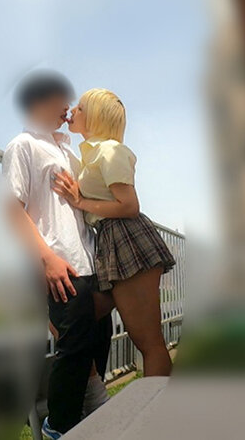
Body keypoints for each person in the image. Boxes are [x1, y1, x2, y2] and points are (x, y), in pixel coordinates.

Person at [2, 71, 111, 439]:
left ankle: (93, 417)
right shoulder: (23, 145)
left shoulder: (68, 150)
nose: (67, 105)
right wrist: (46, 259)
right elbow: (11, 209)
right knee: (75, 346)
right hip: (58, 262)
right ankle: (59, 428)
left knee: (96, 340)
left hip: (87, 261)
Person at [53, 88, 176, 377]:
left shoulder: (110, 151)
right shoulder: (92, 154)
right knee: (72, 321)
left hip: (126, 237)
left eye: (80, 108)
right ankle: (92, 388)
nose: (72, 111)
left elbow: (129, 206)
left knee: (148, 342)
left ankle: (160, 403)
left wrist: (80, 202)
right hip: (110, 242)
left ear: (95, 116)